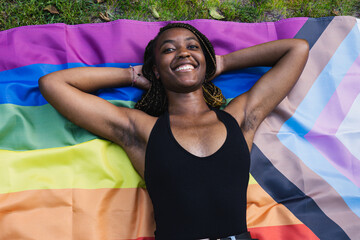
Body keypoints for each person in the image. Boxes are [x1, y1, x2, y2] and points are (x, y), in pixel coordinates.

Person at [39, 23, 309, 240]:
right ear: (156, 70)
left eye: (193, 47)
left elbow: (296, 49)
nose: (183, 52)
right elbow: (53, 84)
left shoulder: (240, 117)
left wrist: (222, 63)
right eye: (169, 50)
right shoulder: (140, 129)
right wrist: (132, 76)